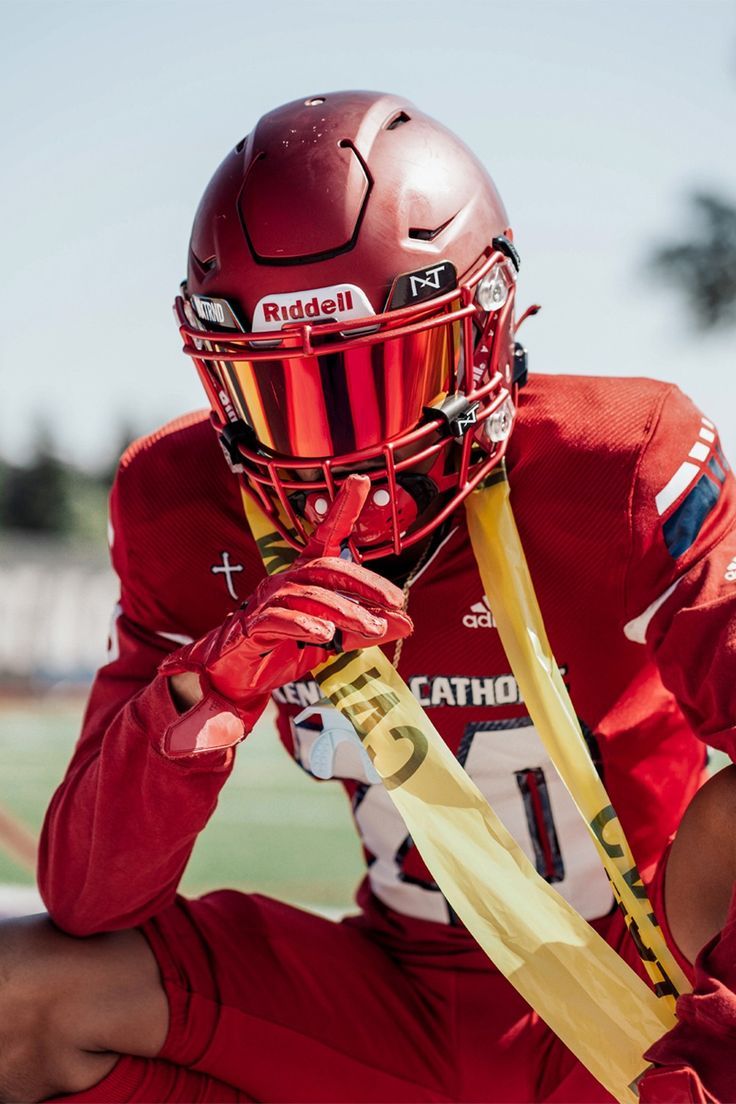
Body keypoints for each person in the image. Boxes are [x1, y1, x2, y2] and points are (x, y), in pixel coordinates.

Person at [1, 89, 736, 1104]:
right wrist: (197, 699)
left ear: (487, 324)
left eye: (382, 377)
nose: (341, 455)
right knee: (18, 995)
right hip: (395, 990)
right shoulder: (187, 503)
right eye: (285, 393)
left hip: (647, 982)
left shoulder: (615, 460)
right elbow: (88, 897)